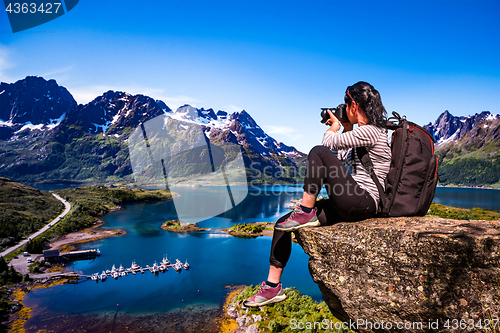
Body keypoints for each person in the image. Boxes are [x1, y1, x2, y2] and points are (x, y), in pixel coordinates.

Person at [243, 81, 392, 307]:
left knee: (317, 151)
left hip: (366, 202)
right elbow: (338, 160)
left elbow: (327, 144)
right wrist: (346, 127)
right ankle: (273, 287)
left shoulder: (373, 131)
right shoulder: (362, 133)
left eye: (345, 104)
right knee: (283, 223)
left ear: (353, 104)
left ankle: (305, 210)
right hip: (353, 200)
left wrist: (334, 127)